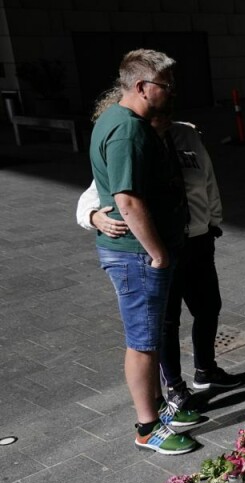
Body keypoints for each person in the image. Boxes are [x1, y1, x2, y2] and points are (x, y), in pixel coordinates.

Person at [78, 106, 239, 412]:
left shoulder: (187, 135)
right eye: (156, 113)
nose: (164, 117)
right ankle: (175, 386)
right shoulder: (131, 140)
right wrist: (93, 216)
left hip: (198, 238)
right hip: (160, 248)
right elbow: (94, 193)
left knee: (208, 307)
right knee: (166, 321)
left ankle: (206, 370)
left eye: (167, 111)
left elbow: (207, 180)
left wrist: (213, 222)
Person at [89, 49, 195, 455]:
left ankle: (158, 411)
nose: (171, 93)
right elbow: (127, 200)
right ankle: (148, 428)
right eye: (166, 86)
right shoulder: (128, 129)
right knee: (143, 342)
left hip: (137, 252)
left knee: (147, 337)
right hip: (136, 254)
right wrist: (158, 253)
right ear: (141, 87)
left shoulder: (121, 121)